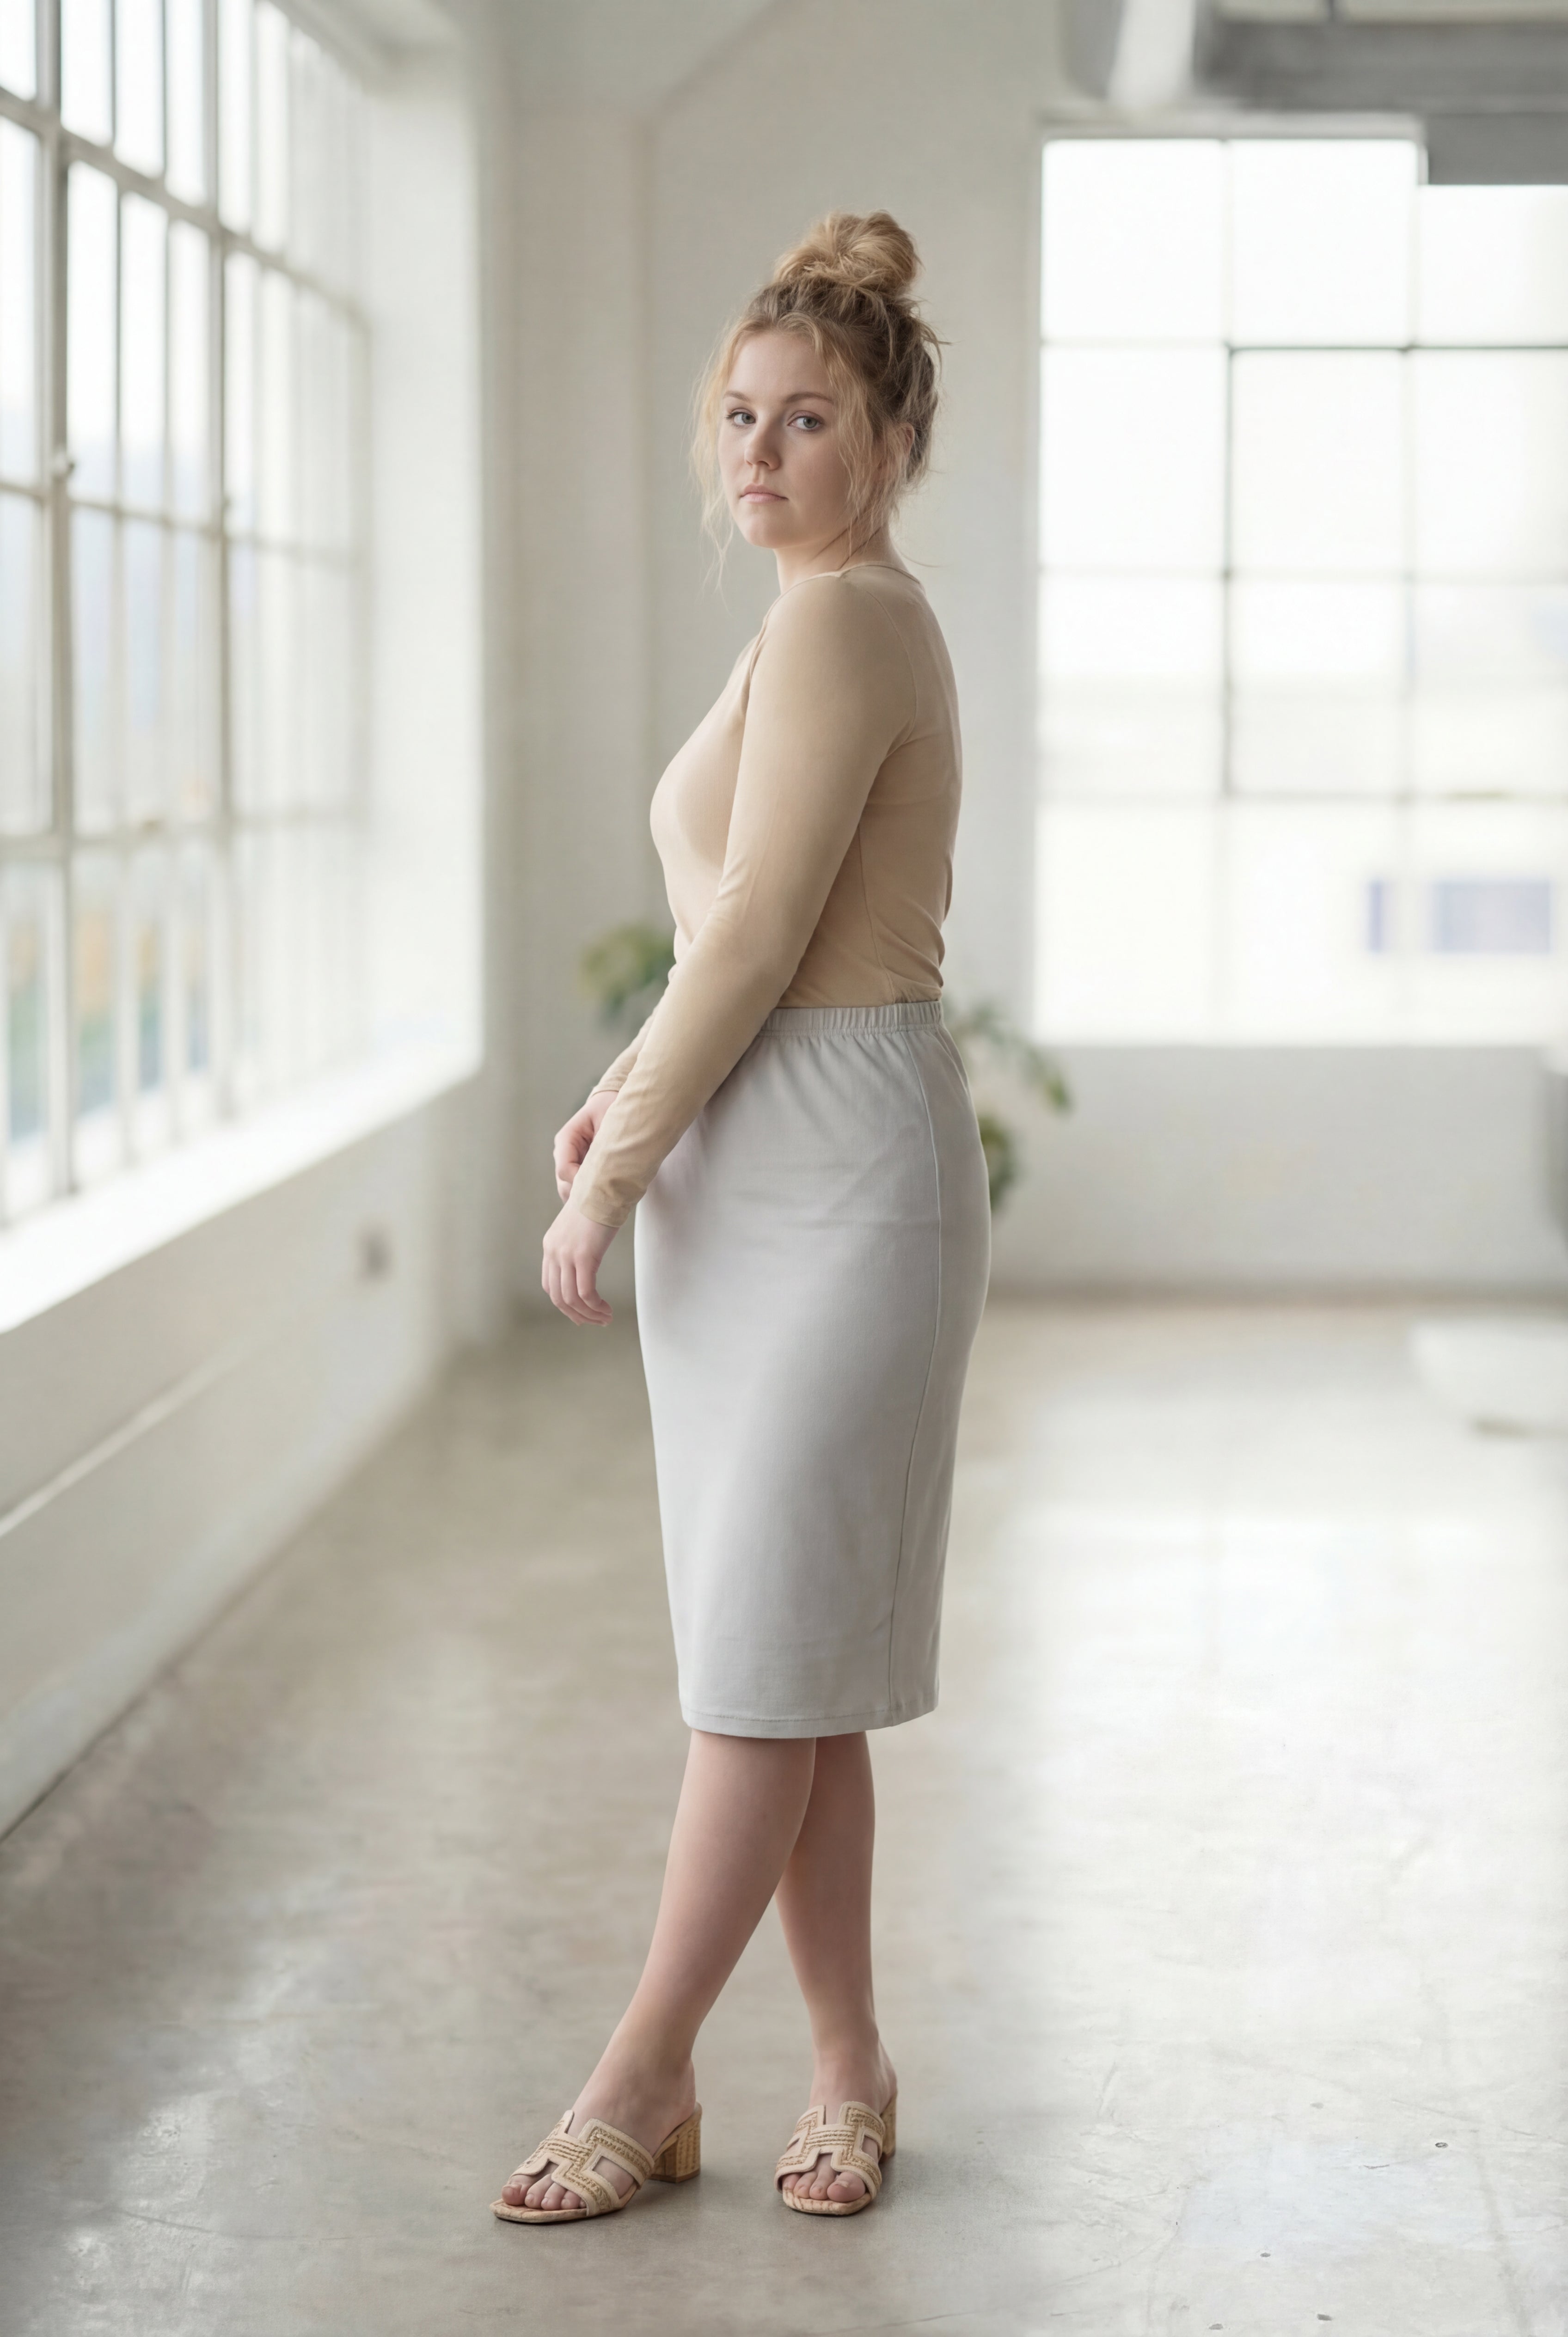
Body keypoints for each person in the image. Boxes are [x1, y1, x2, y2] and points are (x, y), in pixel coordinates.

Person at [493, 209, 990, 2227]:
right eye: (737, 417)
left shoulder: (851, 617)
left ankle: (641, 2072)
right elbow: (719, 925)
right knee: (787, 1665)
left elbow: (775, 934)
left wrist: (619, 1157)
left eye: (806, 419)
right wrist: (624, 1088)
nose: (759, 453)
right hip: (746, 1162)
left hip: (842, 1176)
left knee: (757, 1677)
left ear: (885, 444)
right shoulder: (790, 612)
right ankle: (850, 2066)